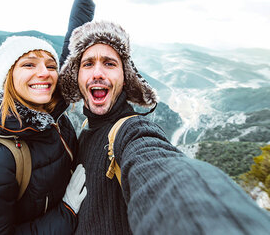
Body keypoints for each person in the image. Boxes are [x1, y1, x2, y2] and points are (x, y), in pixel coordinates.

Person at [59, 21, 270, 234]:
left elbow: (160, 170)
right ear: (77, 78)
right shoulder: (85, 128)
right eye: (87, 64)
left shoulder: (130, 131)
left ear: (124, 79)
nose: (97, 73)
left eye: (109, 63)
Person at [0, 0, 95, 234]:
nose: (43, 73)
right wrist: (67, 211)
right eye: (29, 64)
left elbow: (70, 51)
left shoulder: (51, 108)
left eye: (49, 65)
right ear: (9, 78)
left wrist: (84, 0)